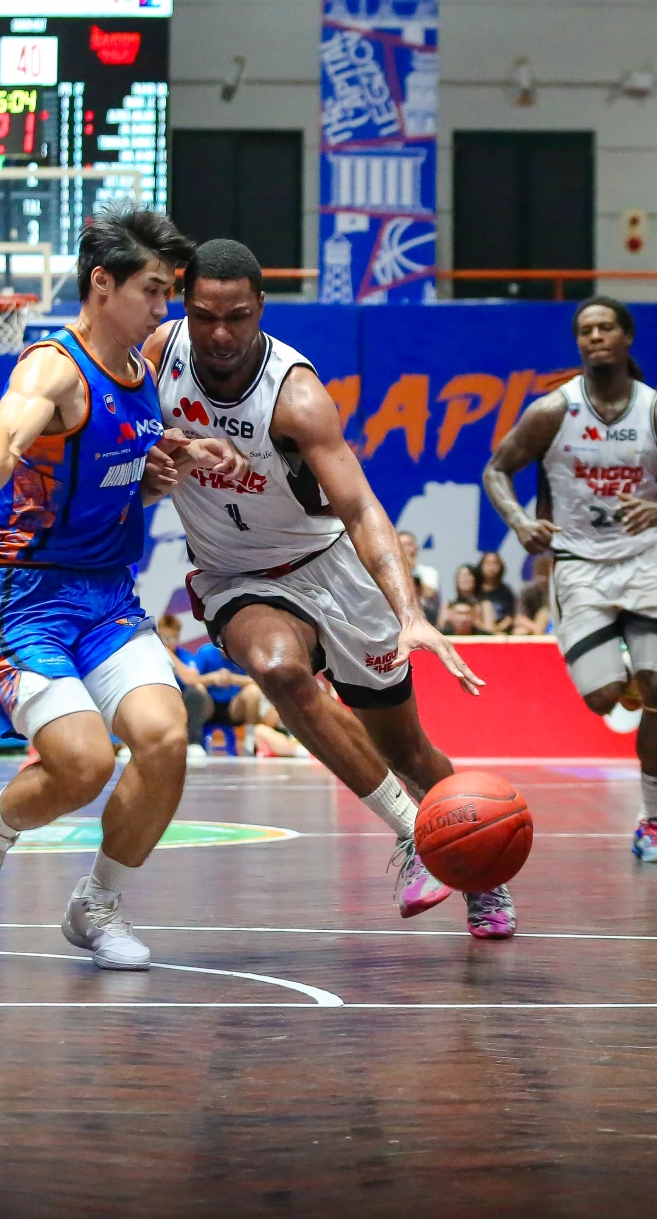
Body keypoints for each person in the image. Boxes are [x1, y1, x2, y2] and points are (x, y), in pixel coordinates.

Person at [141, 238, 507, 936]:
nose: (219, 334)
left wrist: (412, 615)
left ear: (261, 310)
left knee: (411, 754)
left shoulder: (296, 395)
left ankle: (480, 870)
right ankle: (411, 833)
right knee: (278, 668)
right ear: (185, 306)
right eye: (204, 316)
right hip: (234, 575)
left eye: (237, 317)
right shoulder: (160, 353)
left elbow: (363, 509)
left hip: (331, 567)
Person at [0, 207, 245, 972]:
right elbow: (7, 432)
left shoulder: (140, 375)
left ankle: (97, 905)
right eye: (151, 290)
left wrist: (164, 465)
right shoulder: (55, 365)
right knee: (83, 765)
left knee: (168, 737)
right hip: (23, 596)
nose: (164, 307)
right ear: (101, 284)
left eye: (169, 291)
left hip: (106, 596)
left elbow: (110, 470)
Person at [486, 294, 657, 865]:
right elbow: (495, 470)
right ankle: (627, 679)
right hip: (580, 567)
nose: (595, 337)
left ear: (627, 336)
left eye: (606, 327)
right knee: (605, 699)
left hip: (645, 565)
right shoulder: (550, 413)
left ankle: (651, 823)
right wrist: (518, 520)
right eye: (585, 330)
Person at [154, 614, 211, 766]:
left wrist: (169, 654)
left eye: (172, 639)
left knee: (195, 692)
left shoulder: (183, 656)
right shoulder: (150, 656)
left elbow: (192, 679)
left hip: (181, 706)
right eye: (164, 639)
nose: (168, 643)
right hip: (158, 703)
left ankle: (193, 743)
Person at [446, 564, 497, 634]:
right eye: (461, 576)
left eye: (468, 575)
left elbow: (491, 632)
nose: (464, 579)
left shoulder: (485, 604)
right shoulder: (448, 605)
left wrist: (472, 621)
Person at [474, 551, 517, 628]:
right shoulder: (475, 589)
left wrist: (496, 631)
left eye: (495, 563)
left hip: (502, 632)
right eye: (488, 564)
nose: (491, 567)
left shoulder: (506, 591)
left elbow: (511, 616)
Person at [398, 531, 438, 602]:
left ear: (416, 547)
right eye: (401, 545)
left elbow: (429, 593)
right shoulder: (389, 573)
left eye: (409, 544)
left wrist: (411, 569)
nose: (405, 549)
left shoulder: (429, 571)